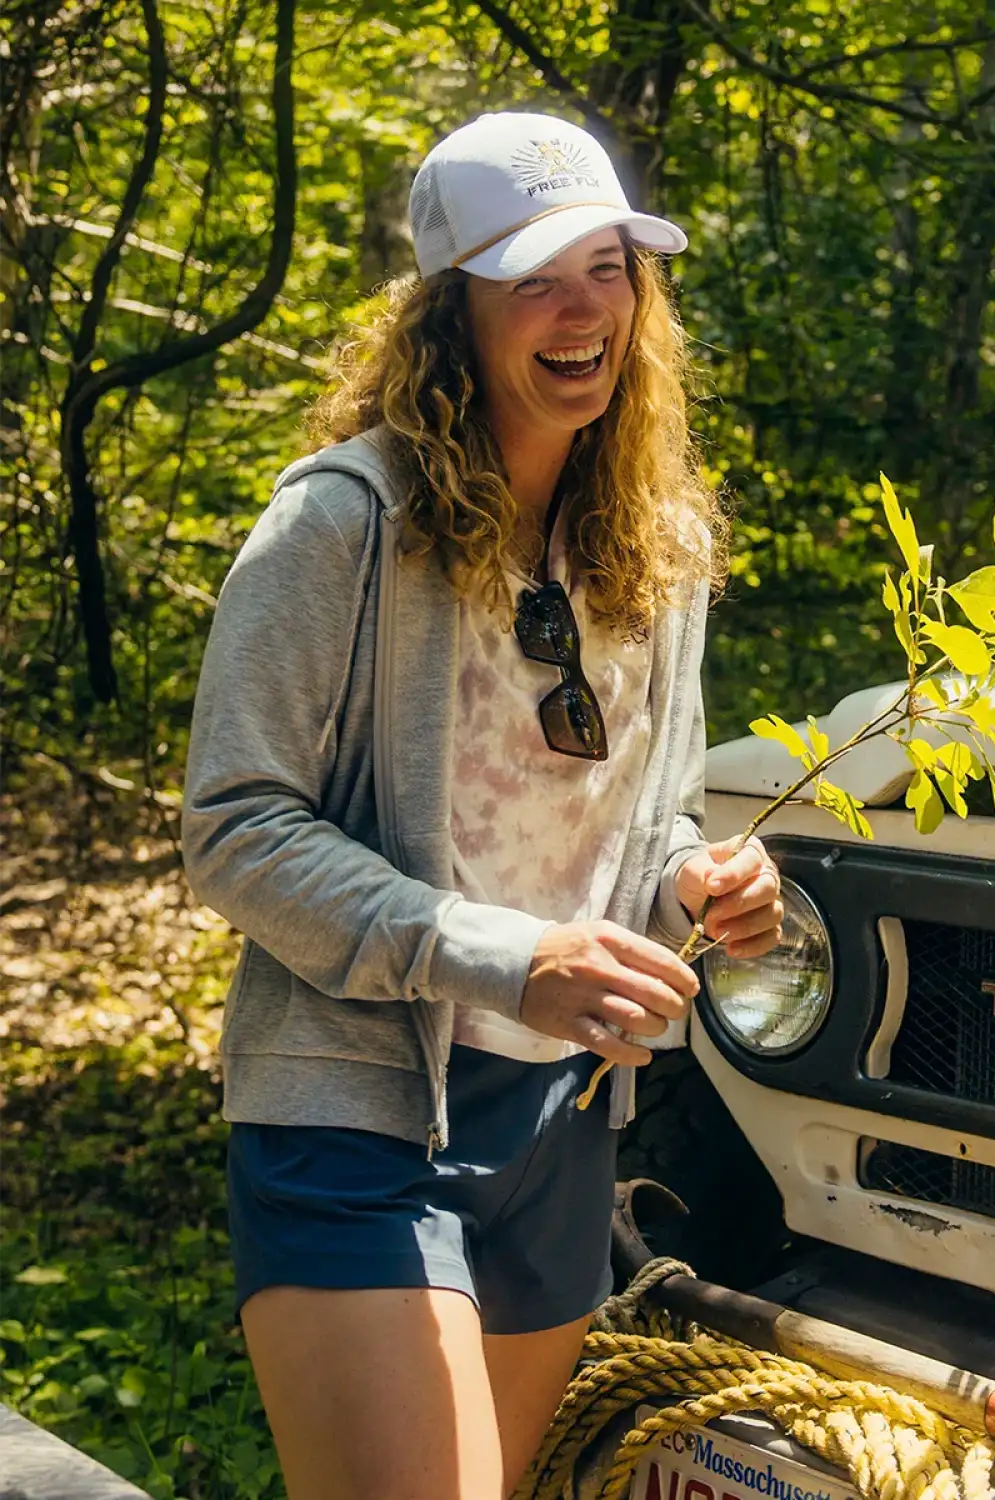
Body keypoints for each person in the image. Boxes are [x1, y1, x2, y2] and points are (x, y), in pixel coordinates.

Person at [181, 111, 783, 1500]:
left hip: (561, 1121)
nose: (583, 313)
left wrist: (703, 886)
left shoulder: (658, 549)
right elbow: (234, 828)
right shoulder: (340, 525)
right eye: (533, 280)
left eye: (609, 267)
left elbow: (651, 829)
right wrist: (516, 957)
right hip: (361, 1119)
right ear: (450, 312)